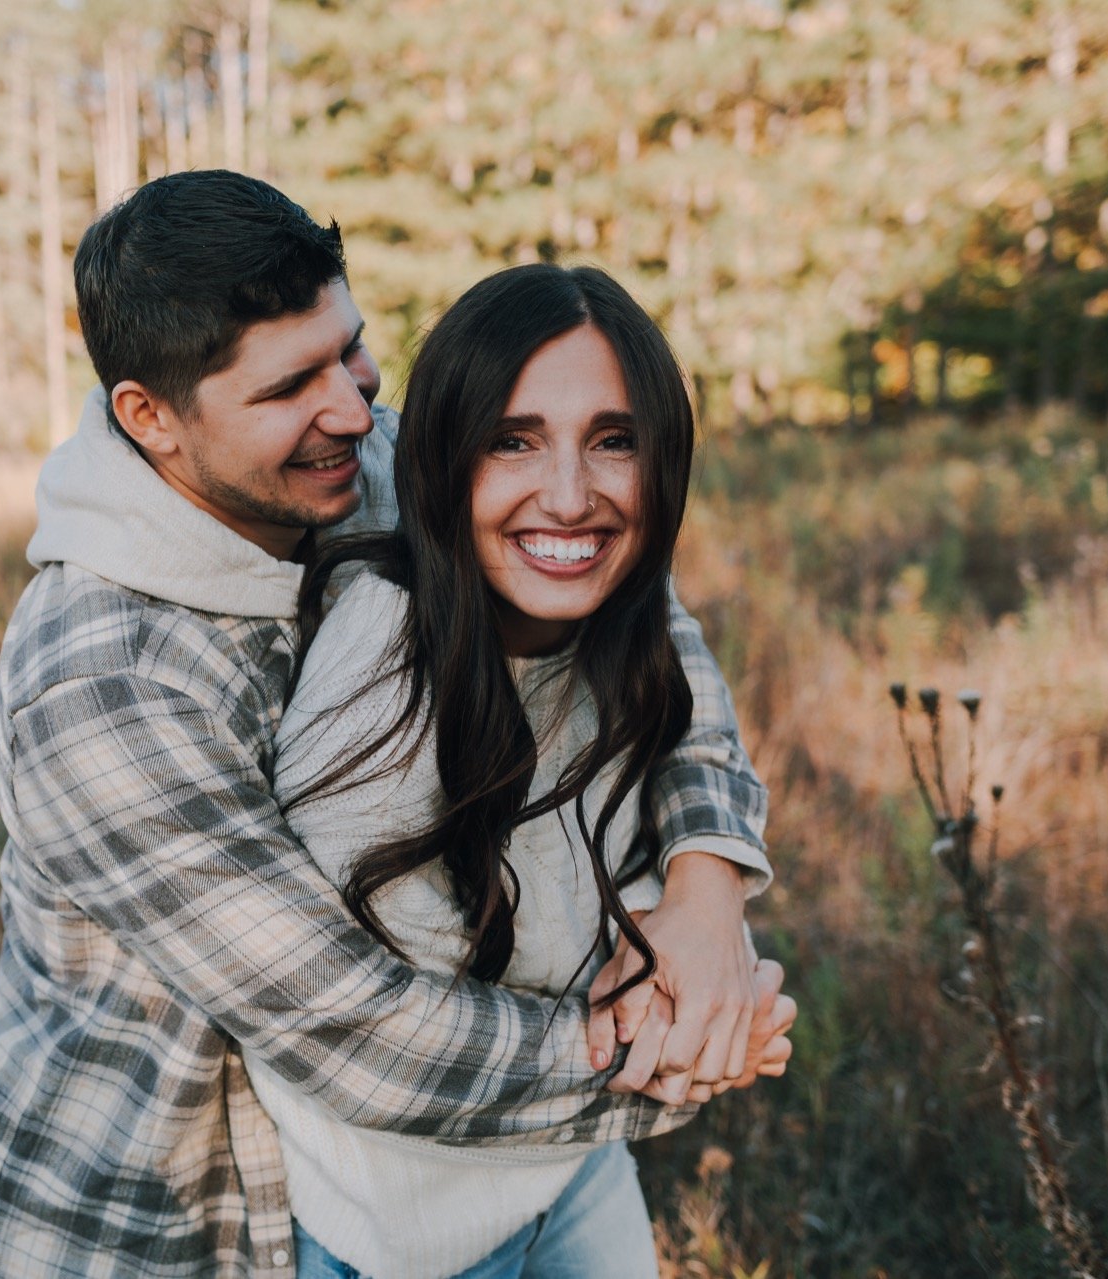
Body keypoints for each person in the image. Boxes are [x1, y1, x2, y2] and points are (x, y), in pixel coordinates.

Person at [0, 170, 785, 1278]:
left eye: (349, 349)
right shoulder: (105, 689)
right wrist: (674, 1051)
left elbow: (641, 611)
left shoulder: (361, 454)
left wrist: (705, 882)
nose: (353, 405)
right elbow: (353, 1028)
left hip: (450, 1171)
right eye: (292, 383)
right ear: (150, 418)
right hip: (180, 1207)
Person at [256, 262, 786, 1279]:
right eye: (515, 440)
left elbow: (687, 722)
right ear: (443, 457)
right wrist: (683, 1029)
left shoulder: (607, 619)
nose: (571, 495)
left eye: (614, 440)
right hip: (402, 1230)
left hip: (572, 1175)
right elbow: (376, 1044)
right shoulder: (378, 692)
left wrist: (706, 896)